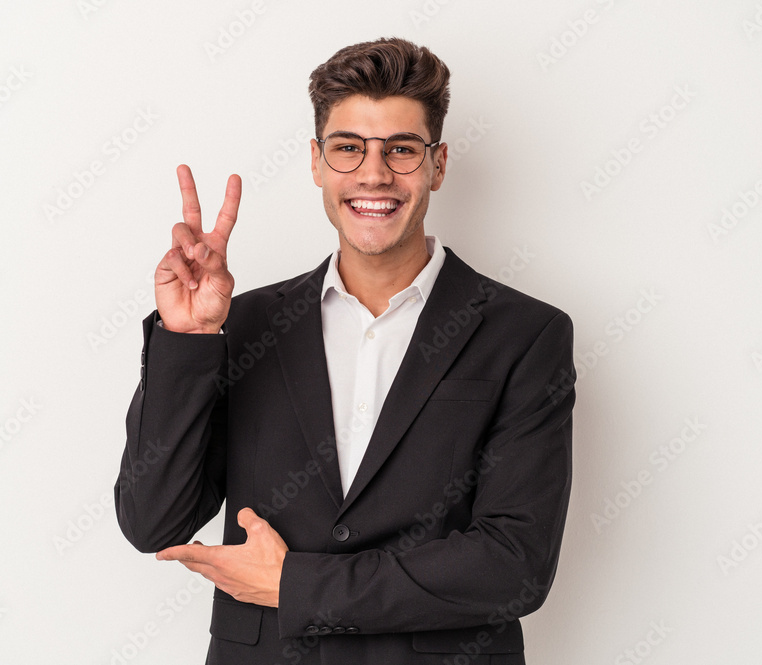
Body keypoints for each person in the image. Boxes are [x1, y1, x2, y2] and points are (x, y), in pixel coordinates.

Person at [115, 37, 575, 665]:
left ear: (438, 165)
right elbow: (153, 521)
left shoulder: (525, 335)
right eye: (349, 148)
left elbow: (513, 565)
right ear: (316, 162)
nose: (374, 173)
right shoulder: (246, 324)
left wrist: (297, 587)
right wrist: (188, 341)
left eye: (402, 150)